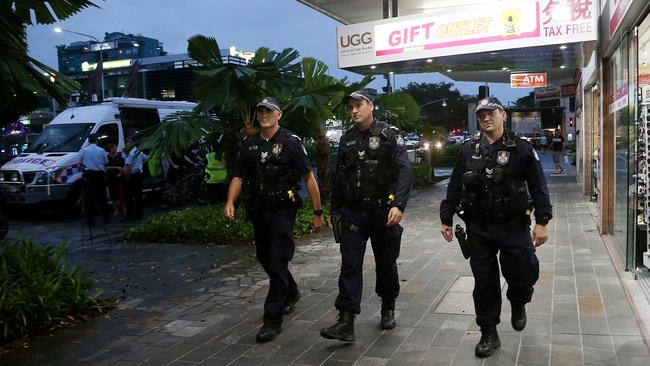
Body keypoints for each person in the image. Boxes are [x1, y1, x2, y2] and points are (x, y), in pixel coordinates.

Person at [439, 97, 553, 358]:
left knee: (523, 274)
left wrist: (542, 222)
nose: (485, 119)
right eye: (481, 116)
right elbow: (455, 183)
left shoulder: (521, 148)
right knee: (484, 282)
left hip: (513, 226)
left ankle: (518, 300)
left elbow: (538, 186)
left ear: (502, 114)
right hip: (479, 227)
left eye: (490, 113)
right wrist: (446, 217)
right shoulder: (469, 148)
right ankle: (488, 331)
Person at [223, 96, 325, 343]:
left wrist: (317, 212)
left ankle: (272, 319)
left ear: (279, 114)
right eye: (260, 111)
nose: (263, 115)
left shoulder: (291, 142)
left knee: (278, 260)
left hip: (283, 211)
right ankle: (290, 290)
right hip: (259, 210)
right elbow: (238, 176)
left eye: (269, 111)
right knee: (264, 258)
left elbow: (308, 178)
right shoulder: (249, 145)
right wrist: (229, 202)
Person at [320, 90, 413, 342]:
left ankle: (388, 306)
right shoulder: (347, 139)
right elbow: (340, 177)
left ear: (370, 105)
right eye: (350, 107)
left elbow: (404, 170)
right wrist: (335, 210)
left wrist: (399, 204)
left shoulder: (389, 135)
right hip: (353, 213)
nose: (354, 111)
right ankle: (346, 320)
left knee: (386, 263)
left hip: (384, 212)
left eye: (358, 105)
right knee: (350, 264)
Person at [78, 133, 109, 226]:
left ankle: (91, 220)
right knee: (102, 197)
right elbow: (106, 162)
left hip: (88, 175)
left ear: (88, 140)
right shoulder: (101, 150)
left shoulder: (83, 151)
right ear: (96, 140)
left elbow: (80, 162)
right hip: (99, 174)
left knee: (89, 198)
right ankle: (105, 218)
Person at [123, 136, 148, 221]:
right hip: (139, 175)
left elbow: (128, 167)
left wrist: (127, 178)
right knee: (138, 196)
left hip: (132, 175)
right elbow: (146, 158)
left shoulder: (130, 153)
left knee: (129, 196)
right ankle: (138, 215)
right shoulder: (138, 151)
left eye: (128, 142)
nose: (126, 144)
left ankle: (130, 216)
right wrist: (140, 166)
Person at [105, 143, 125, 216]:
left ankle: (123, 208)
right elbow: (106, 167)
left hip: (120, 178)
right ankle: (116, 209)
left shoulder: (119, 156)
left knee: (122, 194)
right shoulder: (107, 157)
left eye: (115, 147)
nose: (115, 149)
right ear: (110, 149)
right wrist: (116, 168)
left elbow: (123, 166)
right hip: (111, 178)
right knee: (113, 195)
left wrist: (120, 173)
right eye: (114, 147)